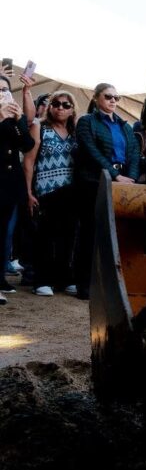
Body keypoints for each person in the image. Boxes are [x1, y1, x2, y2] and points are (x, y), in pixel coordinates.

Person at [74, 83, 141, 299]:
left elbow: (134, 153)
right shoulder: (87, 122)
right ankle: (84, 285)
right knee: (90, 233)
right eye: (108, 96)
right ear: (96, 98)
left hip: (122, 182)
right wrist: (115, 174)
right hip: (94, 181)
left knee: (116, 235)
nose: (113, 100)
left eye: (116, 97)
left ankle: (108, 287)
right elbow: (91, 151)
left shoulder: (125, 126)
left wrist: (129, 178)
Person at [23, 90, 80, 297]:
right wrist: (28, 192)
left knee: (68, 235)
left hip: (71, 189)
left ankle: (64, 279)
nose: (60, 108)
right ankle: (41, 280)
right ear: (50, 106)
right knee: (45, 236)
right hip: (46, 189)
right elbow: (28, 161)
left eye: (66, 105)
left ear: (72, 109)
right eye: (56, 103)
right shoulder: (40, 127)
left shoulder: (76, 131)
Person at [0, 71, 36, 300]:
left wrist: (20, 120)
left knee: (3, 233)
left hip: (8, 184)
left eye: (4, 89)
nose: (1, 93)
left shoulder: (12, 116)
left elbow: (27, 145)